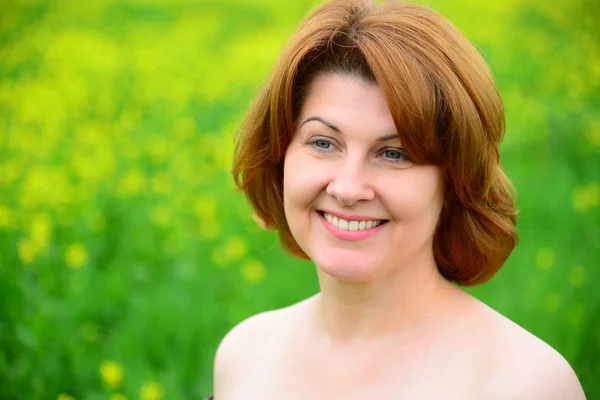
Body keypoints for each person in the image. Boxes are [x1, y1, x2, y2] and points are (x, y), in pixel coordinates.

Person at [211, 0, 586, 398]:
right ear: (280, 155)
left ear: (454, 181)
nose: (348, 188)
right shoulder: (245, 356)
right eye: (323, 143)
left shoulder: (526, 384)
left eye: (394, 153)